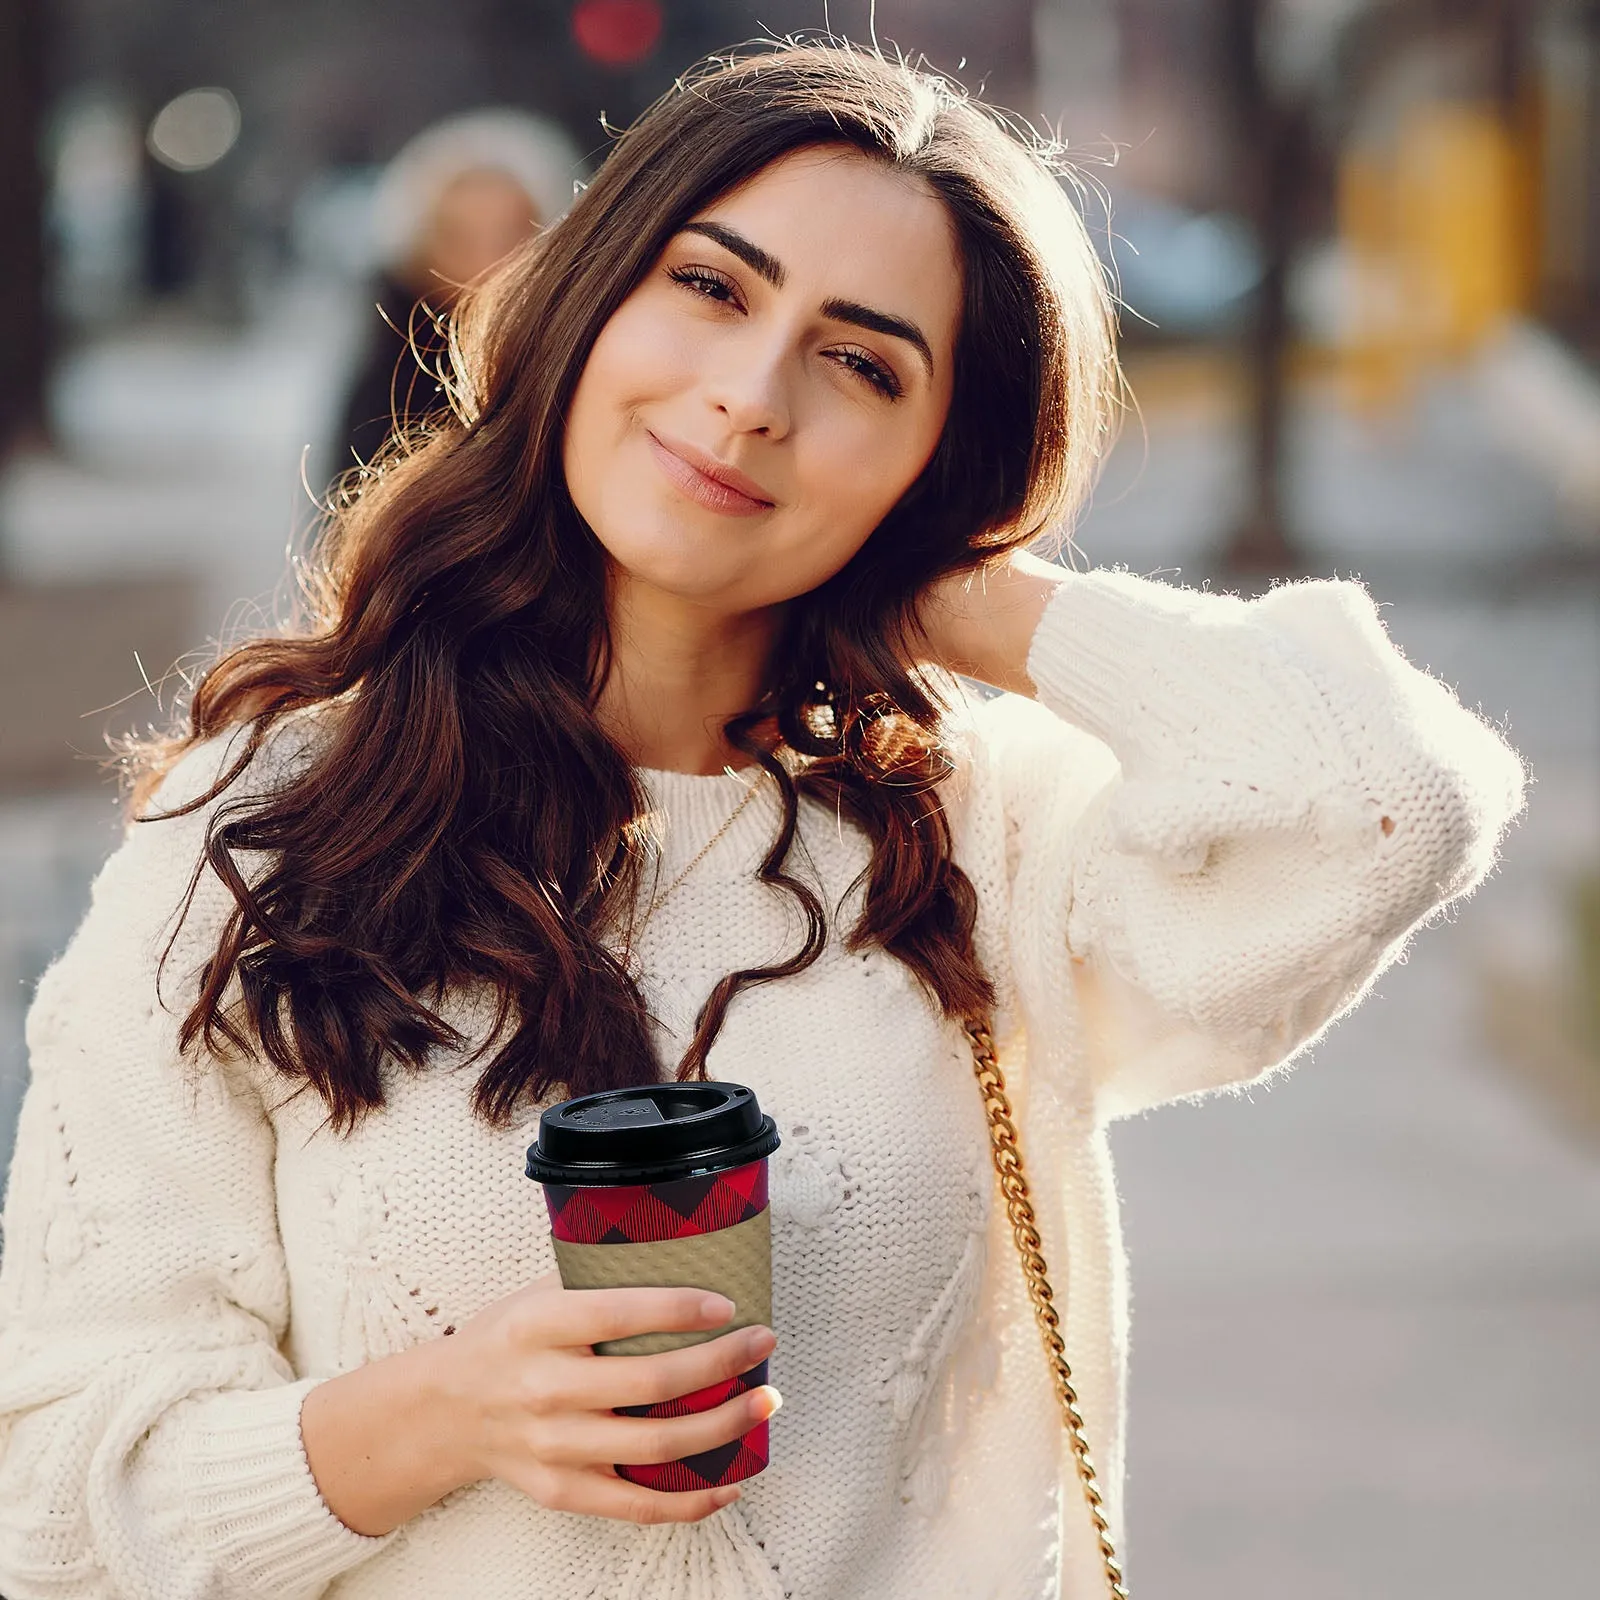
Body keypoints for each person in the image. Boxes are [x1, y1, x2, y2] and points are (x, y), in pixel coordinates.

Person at [0, 41, 1525, 1600]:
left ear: (941, 457)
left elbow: (1390, 807)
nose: (749, 398)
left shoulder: (977, 842)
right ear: (593, 296)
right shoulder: (262, 830)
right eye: (713, 289)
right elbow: (52, 1503)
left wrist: (965, 599)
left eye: (863, 366)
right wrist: (435, 1420)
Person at [333, 108, 585, 471]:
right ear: (420, 248)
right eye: (459, 238)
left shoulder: (571, 362)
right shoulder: (387, 381)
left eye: (511, 235)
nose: (486, 263)